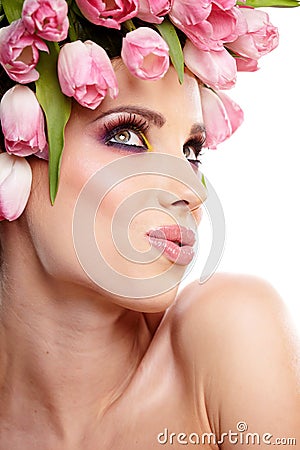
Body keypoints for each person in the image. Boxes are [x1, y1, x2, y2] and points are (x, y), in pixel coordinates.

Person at [0, 1, 299, 449]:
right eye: (127, 136)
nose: (193, 192)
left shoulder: (228, 328)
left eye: (191, 150)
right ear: (15, 142)